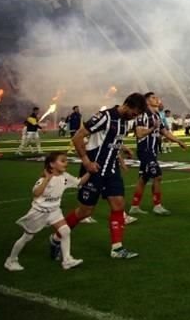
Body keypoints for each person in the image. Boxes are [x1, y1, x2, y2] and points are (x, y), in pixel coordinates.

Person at [51, 93, 147, 260]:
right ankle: (56, 238)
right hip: (94, 170)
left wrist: (121, 155)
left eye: (137, 115)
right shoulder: (105, 117)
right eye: (134, 113)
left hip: (111, 171)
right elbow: (77, 137)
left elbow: (110, 141)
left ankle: (117, 248)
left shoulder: (125, 122)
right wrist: (86, 161)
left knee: (118, 204)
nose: (135, 116)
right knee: (85, 211)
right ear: (127, 105)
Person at [4, 152, 90, 271]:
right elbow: (36, 193)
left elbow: (79, 182)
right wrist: (47, 179)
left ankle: (67, 260)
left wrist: (90, 172)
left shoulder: (65, 176)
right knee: (27, 237)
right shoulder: (44, 179)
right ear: (52, 164)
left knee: (65, 231)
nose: (66, 163)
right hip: (39, 212)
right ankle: (11, 260)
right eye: (62, 161)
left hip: (54, 211)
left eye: (66, 160)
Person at [129, 92, 187, 216]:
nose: (157, 99)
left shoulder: (157, 115)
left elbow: (164, 132)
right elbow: (139, 134)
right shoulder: (142, 115)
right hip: (145, 150)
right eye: (153, 98)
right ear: (147, 101)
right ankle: (157, 205)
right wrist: (151, 129)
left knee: (143, 178)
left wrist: (179, 141)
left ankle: (134, 206)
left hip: (152, 151)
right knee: (157, 176)